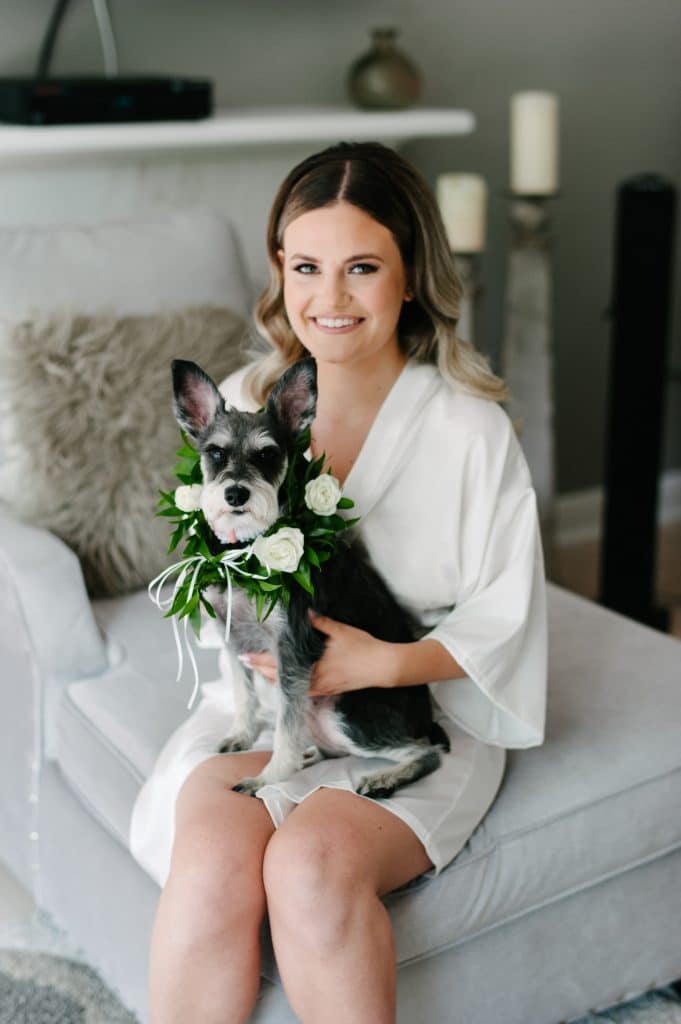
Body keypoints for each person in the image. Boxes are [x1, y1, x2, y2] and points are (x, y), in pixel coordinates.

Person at [130, 141, 547, 1024]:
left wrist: (378, 667)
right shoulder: (249, 395)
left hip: (414, 704)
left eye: (362, 267)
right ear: (279, 271)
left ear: (409, 277)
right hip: (270, 690)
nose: (330, 297)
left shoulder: (471, 431)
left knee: (310, 870)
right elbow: (218, 569)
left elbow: (506, 620)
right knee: (207, 867)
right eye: (306, 266)